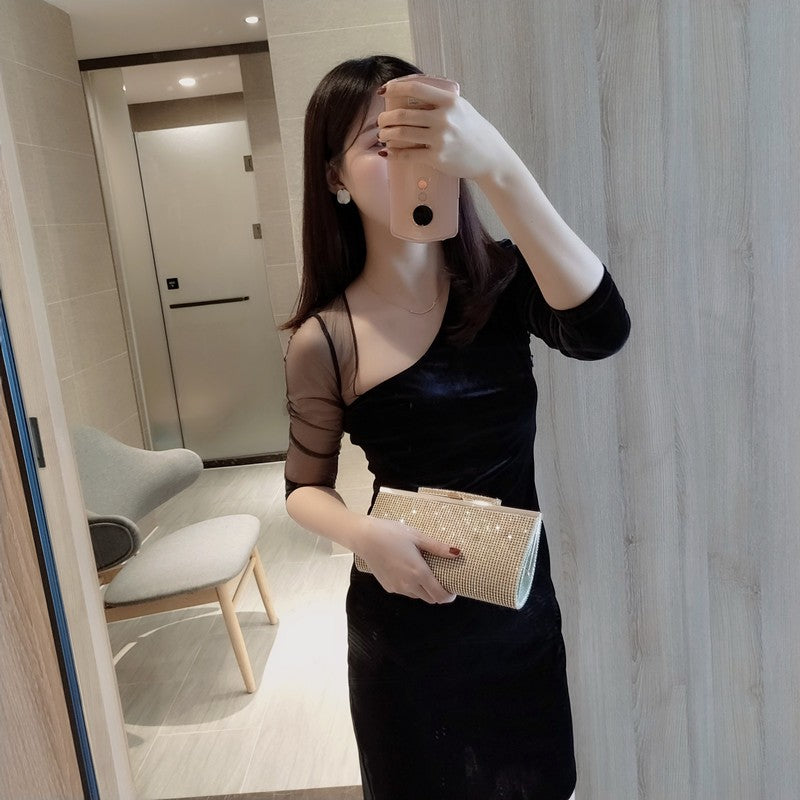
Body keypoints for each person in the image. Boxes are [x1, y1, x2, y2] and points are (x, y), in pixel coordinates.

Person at [281, 54, 630, 800]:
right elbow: (303, 489)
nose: (413, 163)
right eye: (383, 146)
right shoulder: (325, 339)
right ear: (335, 176)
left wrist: (499, 165)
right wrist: (363, 535)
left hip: (518, 622)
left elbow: (602, 332)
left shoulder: (501, 283)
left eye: (427, 142)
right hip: (403, 632)